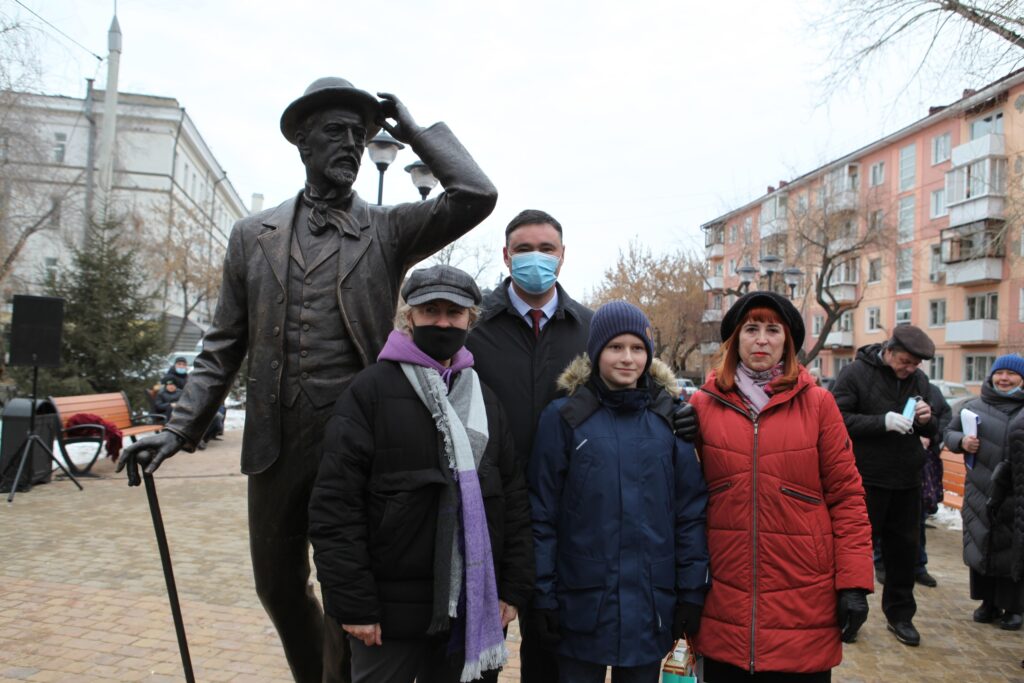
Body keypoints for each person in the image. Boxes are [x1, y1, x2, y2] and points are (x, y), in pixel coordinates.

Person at [118, 77, 497, 682]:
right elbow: (222, 344)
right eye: (336, 133)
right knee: (277, 586)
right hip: (277, 439)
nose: (350, 144)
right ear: (302, 143)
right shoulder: (252, 237)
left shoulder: (387, 230)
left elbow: (476, 194)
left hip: (359, 440)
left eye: (360, 134)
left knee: (350, 586)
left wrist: (416, 133)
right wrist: (177, 428)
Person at [309, 265, 533, 682]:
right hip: (386, 617)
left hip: (472, 609)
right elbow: (335, 508)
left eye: (455, 312)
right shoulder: (370, 392)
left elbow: (513, 499)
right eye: (431, 310)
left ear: (471, 319)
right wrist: (354, 604)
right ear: (408, 317)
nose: (444, 322)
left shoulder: (483, 399)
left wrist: (512, 589)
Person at [689, 291, 873, 681]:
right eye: (751, 329)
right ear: (735, 340)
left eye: (773, 330)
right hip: (725, 597)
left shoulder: (819, 404)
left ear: (787, 341)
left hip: (803, 598)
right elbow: (683, 498)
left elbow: (847, 498)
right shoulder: (703, 407)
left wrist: (854, 582)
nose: (761, 340)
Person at [529, 300, 709, 683]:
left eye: (638, 348)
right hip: (581, 606)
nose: (627, 358)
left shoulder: (671, 419)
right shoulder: (564, 418)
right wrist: (542, 594)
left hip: (650, 608)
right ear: (596, 352)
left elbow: (689, 513)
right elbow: (541, 513)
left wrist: (692, 590)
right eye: (615, 347)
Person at [465, 209, 591, 683]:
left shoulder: (589, 329)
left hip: (565, 517)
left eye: (546, 249)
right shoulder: (473, 327)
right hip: (488, 510)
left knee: (553, 655)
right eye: (523, 249)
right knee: (479, 658)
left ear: (562, 257)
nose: (534, 258)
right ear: (505, 255)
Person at [832, 324, 938, 647]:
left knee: (903, 553)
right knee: (858, 550)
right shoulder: (855, 374)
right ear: (888, 351)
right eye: (904, 361)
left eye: (915, 365)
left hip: (906, 480)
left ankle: (901, 616)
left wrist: (926, 418)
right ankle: (849, 611)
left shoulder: (918, 381)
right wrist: (883, 422)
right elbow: (837, 418)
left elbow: (935, 426)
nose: (909, 369)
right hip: (866, 479)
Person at [944, 354, 1024, 630]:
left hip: (1016, 493)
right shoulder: (974, 406)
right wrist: (962, 441)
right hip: (981, 488)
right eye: (999, 373)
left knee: (1013, 549)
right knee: (982, 543)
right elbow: (949, 434)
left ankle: (1014, 608)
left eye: (1011, 374)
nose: (1004, 378)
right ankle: (987, 602)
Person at [872, 380, 951, 588]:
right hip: (880, 469)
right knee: (881, 522)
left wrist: (929, 432)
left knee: (917, 522)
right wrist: (884, 423)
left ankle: (919, 566)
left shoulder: (926, 388)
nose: (909, 367)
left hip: (917, 468)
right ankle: (880, 563)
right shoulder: (877, 386)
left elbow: (942, 419)